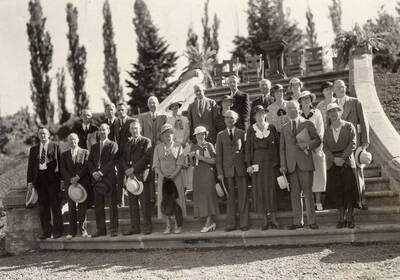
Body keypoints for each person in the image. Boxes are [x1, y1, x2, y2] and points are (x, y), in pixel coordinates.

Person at [280, 101, 321, 230]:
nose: (291, 110)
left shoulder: (307, 123)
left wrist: (307, 145)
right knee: (295, 194)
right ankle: (298, 221)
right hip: (291, 166)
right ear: (286, 111)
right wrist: (283, 165)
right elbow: (282, 149)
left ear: (299, 109)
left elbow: (318, 140)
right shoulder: (284, 127)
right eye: (289, 108)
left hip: (305, 163)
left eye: (294, 108)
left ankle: (312, 221)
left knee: (308, 193)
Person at [334, 80, 370, 209]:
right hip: (339, 145)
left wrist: (365, 142)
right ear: (333, 90)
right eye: (338, 87)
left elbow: (364, 122)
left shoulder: (355, 102)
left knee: (358, 172)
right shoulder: (332, 105)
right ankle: (348, 203)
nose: (341, 89)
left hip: (355, 143)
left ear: (346, 88)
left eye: (342, 86)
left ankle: (362, 200)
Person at [323, 103, 359, 228]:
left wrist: (343, 158)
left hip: (347, 162)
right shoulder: (327, 129)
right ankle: (341, 217)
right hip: (333, 164)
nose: (333, 114)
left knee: (349, 190)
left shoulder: (348, 126)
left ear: (340, 112)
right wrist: (333, 159)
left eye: (335, 111)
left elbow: (353, 143)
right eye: (330, 112)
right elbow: (325, 147)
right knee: (337, 191)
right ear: (328, 115)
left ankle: (350, 217)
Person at [245, 105, 280, 230]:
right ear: (254, 116)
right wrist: (248, 164)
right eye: (257, 114)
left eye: (262, 113)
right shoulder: (251, 130)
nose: (260, 116)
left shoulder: (271, 127)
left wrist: (277, 162)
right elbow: (248, 148)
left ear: (265, 114)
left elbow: (278, 145)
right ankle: (265, 220)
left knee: (271, 190)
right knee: (260, 190)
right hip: (257, 162)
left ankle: (274, 219)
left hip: (270, 163)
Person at [27, 127, 63, 239]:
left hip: (53, 180)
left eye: (44, 133)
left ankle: (57, 231)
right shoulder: (33, 149)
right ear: (38, 136)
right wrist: (29, 182)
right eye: (40, 134)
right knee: (43, 208)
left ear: (49, 135)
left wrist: (62, 180)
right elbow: (30, 167)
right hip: (40, 180)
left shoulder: (55, 146)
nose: (42, 135)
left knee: (55, 206)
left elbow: (61, 163)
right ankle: (46, 232)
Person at [216, 110, 249, 231]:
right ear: (224, 120)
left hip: (240, 169)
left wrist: (247, 167)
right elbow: (219, 156)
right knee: (230, 197)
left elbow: (246, 152)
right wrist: (219, 173)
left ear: (236, 120)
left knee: (243, 196)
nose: (229, 120)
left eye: (231, 118)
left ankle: (244, 223)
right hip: (227, 170)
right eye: (227, 117)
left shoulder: (242, 133)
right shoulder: (220, 135)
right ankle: (231, 223)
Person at [153, 124, 186, 233]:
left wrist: (173, 174)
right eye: (165, 133)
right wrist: (162, 175)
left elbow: (180, 163)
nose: (168, 135)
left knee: (177, 201)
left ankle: (178, 225)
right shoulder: (158, 148)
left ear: (173, 134)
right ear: (162, 135)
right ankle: (167, 226)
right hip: (163, 179)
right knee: (165, 201)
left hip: (176, 178)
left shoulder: (178, 146)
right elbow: (155, 165)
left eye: (170, 133)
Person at [121, 120, 153, 235]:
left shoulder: (146, 141)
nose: (134, 130)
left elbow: (146, 158)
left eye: (136, 128)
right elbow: (123, 159)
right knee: (132, 204)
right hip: (130, 178)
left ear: (140, 129)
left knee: (144, 204)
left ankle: (147, 227)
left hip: (141, 176)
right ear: (129, 130)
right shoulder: (127, 144)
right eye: (132, 129)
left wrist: (133, 169)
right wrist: (127, 171)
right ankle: (134, 227)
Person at [88, 123, 119, 237]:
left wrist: (101, 172)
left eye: (104, 130)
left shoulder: (113, 145)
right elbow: (90, 161)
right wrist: (94, 172)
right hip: (96, 180)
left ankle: (114, 229)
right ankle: (101, 230)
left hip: (109, 178)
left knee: (112, 205)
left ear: (108, 131)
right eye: (100, 130)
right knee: (98, 206)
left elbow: (113, 161)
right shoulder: (94, 147)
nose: (102, 132)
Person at [298, 91, 327, 211]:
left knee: (318, 175)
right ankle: (307, 203)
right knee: (305, 177)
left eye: (308, 98)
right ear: (300, 101)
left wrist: (314, 146)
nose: (306, 101)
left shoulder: (317, 113)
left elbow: (320, 131)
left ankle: (318, 201)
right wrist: (303, 147)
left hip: (316, 148)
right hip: (302, 149)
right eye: (303, 99)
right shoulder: (298, 114)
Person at [60, 133, 90, 239]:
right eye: (70, 140)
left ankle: (83, 230)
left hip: (82, 183)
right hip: (70, 185)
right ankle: (72, 232)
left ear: (78, 140)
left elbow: (87, 167)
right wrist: (70, 179)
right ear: (68, 142)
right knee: (71, 207)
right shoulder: (64, 155)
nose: (72, 142)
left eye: (74, 140)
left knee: (82, 208)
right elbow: (62, 169)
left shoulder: (85, 152)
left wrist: (78, 177)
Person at [139, 96, 167, 204]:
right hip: (148, 149)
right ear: (147, 105)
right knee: (150, 172)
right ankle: (152, 197)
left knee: (162, 171)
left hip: (161, 147)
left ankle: (163, 195)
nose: (152, 105)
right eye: (150, 103)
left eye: (154, 103)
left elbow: (165, 132)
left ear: (158, 104)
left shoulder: (164, 117)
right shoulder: (142, 117)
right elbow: (141, 133)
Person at [191, 126, 219, 232]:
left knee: (209, 196)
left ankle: (208, 222)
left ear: (205, 135)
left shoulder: (209, 145)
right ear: (195, 136)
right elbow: (192, 164)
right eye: (198, 134)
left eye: (202, 134)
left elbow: (214, 161)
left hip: (208, 173)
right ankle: (210, 222)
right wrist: (190, 157)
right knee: (201, 196)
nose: (200, 136)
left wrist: (202, 158)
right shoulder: (194, 147)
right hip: (198, 174)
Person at [166, 101, 192, 193]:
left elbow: (188, 131)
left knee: (186, 165)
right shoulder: (168, 120)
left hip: (184, 144)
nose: (175, 108)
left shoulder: (184, 119)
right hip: (174, 145)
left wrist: (184, 142)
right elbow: (168, 133)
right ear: (171, 108)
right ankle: (179, 188)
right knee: (177, 165)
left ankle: (188, 188)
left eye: (176, 106)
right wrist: (175, 143)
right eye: (173, 106)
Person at [113, 102, 134, 205]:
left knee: (131, 179)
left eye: (122, 109)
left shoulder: (133, 121)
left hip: (130, 156)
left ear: (126, 110)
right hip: (119, 157)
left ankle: (133, 201)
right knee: (119, 180)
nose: (121, 112)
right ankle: (120, 203)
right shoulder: (116, 123)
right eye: (119, 110)